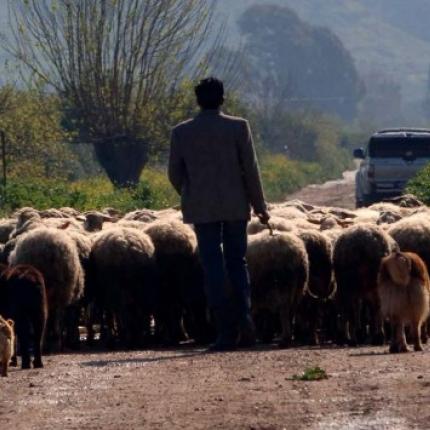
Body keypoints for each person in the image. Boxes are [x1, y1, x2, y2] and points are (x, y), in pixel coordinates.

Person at [168, 77, 270, 351]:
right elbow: (250, 169)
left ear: (198, 101)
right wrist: (260, 207)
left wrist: (191, 193)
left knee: (212, 266)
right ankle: (245, 321)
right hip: (236, 206)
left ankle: (224, 332)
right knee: (237, 262)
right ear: (222, 98)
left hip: (202, 210)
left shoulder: (181, 132)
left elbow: (174, 173)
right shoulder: (238, 127)